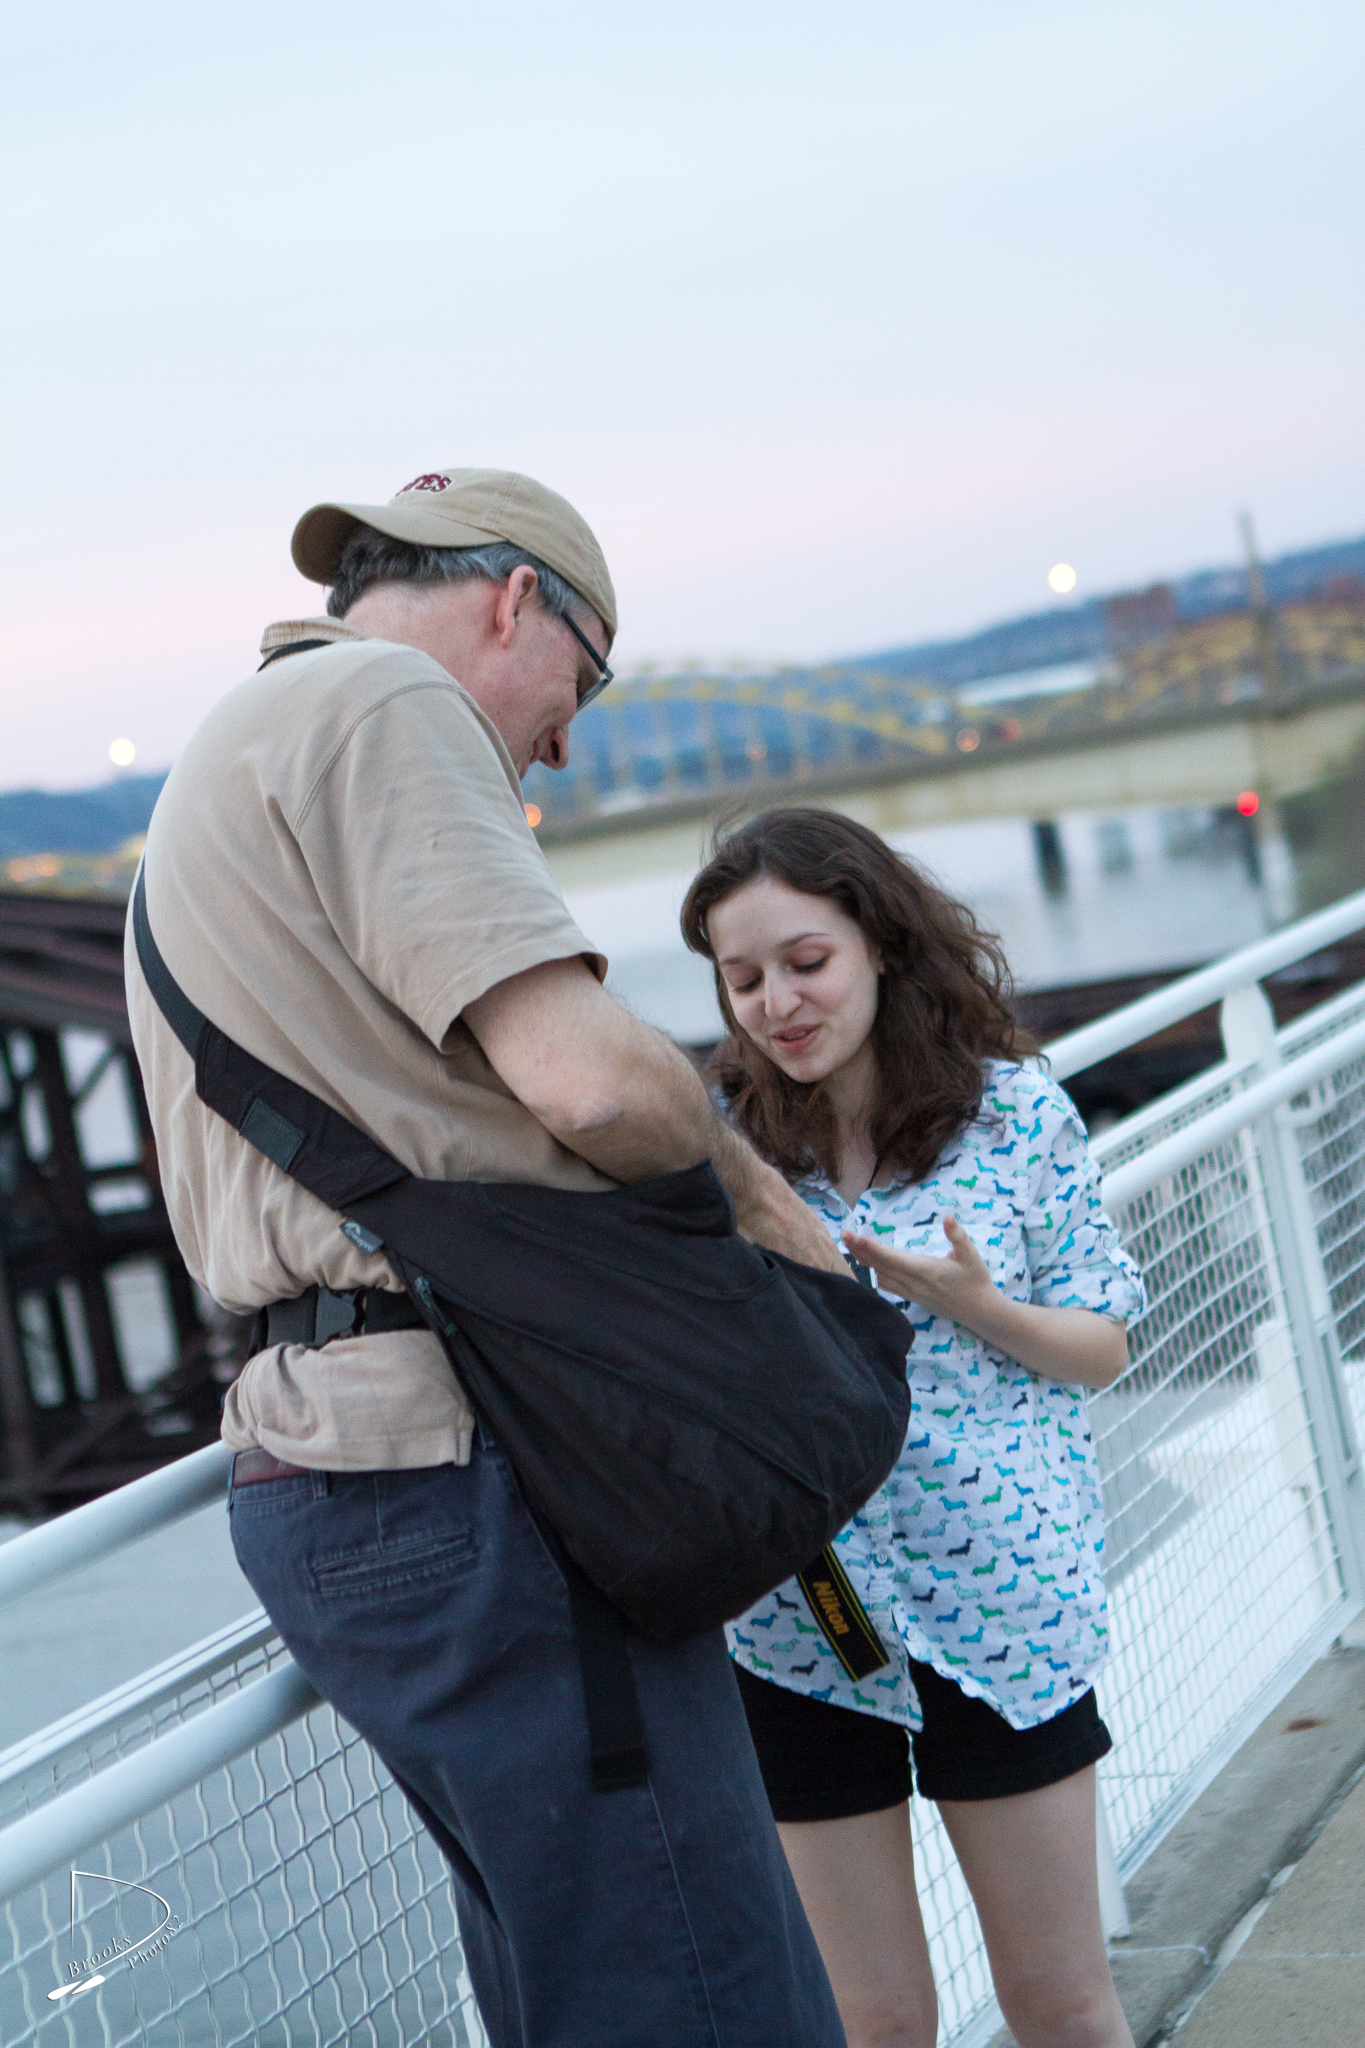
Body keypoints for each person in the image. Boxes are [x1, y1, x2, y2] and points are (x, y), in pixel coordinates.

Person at [124, 468, 851, 2048]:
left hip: (338, 1469)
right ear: (517, 601)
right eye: (581, 685)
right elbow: (586, 1083)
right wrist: (777, 1218)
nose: (565, 745)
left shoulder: (223, 769)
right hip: (479, 1458)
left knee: (577, 1987)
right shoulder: (387, 702)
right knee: (701, 1995)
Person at [680, 807, 1147, 2048]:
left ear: (880, 943)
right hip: (798, 1619)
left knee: (1061, 2002)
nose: (778, 1002)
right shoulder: (716, 1146)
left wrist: (975, 1303)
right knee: (872, 2020)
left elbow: (1101, 1342)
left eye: (806, 960)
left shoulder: (1015, 1112)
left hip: (999, 1600)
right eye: (743, 977)